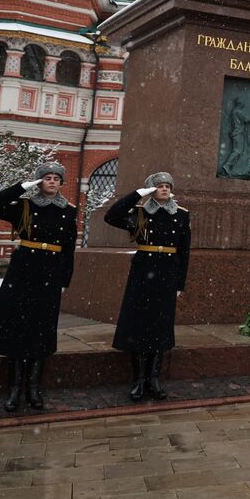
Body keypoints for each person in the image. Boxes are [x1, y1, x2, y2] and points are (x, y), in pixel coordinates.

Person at [0, 162, 77, 412]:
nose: (52, 181)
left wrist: (65, 280)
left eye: (56, 178)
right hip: (23, 271)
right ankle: (14, 389)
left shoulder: (69, 210)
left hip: (51, 272)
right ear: (39, 182)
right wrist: (21, 187)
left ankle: (33, 388)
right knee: (17, 328)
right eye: (47, 178)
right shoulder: (24, 206)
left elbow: (69, 248)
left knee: (41, 330)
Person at [104, 172, 191, 402]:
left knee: (160, 327)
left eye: (167, 186)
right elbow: (111, 216)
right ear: (151, 190)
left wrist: (179, 283)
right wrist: (137, 195)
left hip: (167, 274)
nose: (164, 189)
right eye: (159, 186)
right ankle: (139, 380)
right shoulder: (140, 213)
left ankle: (154, 379)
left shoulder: (181, 215)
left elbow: (184, 252)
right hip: (143, 273)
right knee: (139, 326)